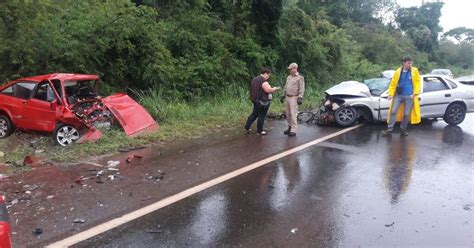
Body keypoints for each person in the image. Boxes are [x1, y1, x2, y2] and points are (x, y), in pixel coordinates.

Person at [382, 56, 421, 136]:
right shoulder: (398, 71)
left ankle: (403, 129)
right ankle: (389, 129)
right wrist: (390, 94)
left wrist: (415, 93)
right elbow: (393, 83)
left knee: (406, 114)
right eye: (408, 63)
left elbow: (418, 82)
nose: (410, 65)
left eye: (411, 63)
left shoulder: (414, 71)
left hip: (409, 96)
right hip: (398, 95)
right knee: (393, 112)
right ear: (404, 63)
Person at [244, 68, 280, 135]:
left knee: (254, 114)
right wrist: (275, 89)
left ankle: (247, 126)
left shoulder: (255, 79)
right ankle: (260, 131)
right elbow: (268, 90)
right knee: (262, 116)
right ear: (265, 73)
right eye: (268, 75)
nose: (268, 77)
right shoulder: (263, 81)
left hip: (255, 100)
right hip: (263, 101)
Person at [282, 63, 305, 136]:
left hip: (294, 97)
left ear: (295, 68)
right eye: (289, 69)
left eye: (291, 69)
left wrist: (300, 97)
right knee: (288, 114)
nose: (290, 70)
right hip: (287, 97)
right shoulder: (289, 77)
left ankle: (293, 130)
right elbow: (286, 87)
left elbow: (302, 88)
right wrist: (283, 95)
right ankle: (289, 127)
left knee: (293, 114)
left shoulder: (299, 77)